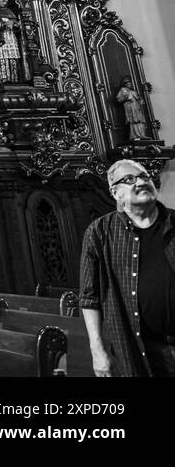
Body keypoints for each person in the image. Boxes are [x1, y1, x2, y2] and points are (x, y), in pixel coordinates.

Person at [81, 160, 175, 376]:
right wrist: (97, 350)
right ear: (116, 193)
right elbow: (89, 297)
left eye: (145, 177)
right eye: (130, 179)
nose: (140, 182)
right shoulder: (99, 233)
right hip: (138, 348)